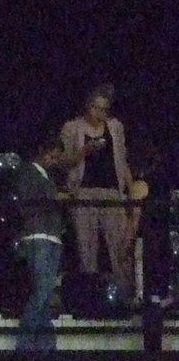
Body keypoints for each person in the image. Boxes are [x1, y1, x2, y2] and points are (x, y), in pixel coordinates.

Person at [60, 83, 133, 296]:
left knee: (119, 244)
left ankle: (125, 294)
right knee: (87, 247)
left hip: (111, 191)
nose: (100, 113)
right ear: (87, 106)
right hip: (84, 191)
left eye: (104, 109)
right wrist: (84, 150)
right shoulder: (72, 128)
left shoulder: (115, 128)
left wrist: (130, 189)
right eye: (96, 108)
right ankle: (88, 294)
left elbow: (122, 160)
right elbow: (64, 162)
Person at [11, 135, 67, 353]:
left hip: (49, 236)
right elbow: (29, 200)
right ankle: (26, 344)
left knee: (45, 292)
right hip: (37, 235)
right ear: (43, 151)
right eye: (52, 156)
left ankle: (46, 345)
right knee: (42, 291)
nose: (54, 160)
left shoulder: (45, 176)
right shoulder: (28, 172)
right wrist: (56, 197)